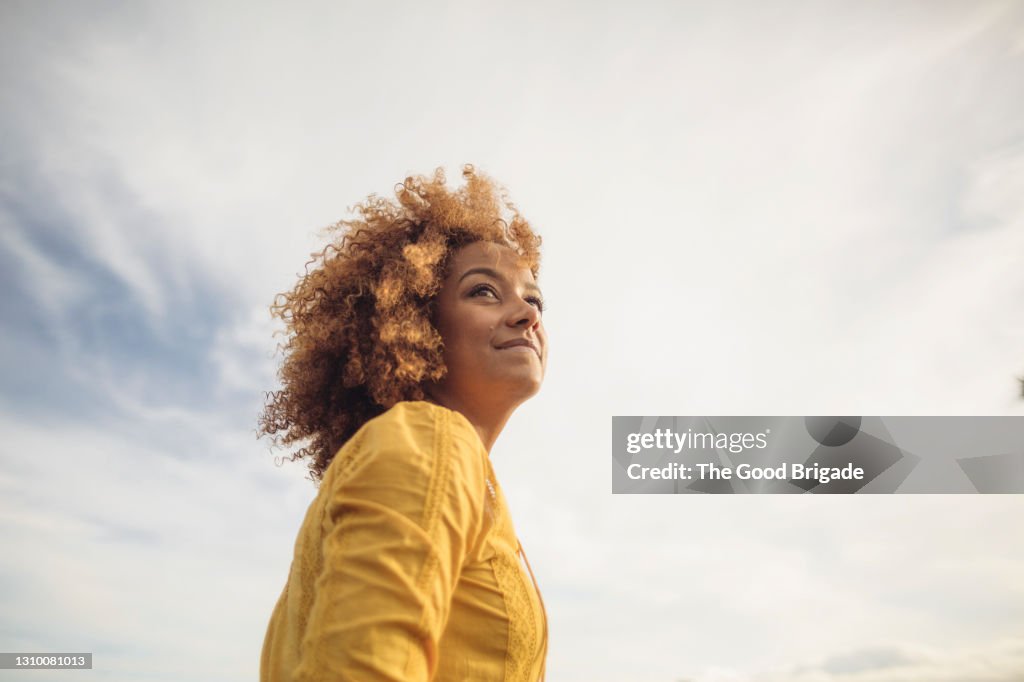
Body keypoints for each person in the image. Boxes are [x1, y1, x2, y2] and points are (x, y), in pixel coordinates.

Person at [258, 165, 549, 681]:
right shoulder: (432, 441)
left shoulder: (450, 465)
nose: (527, 314)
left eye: (534, 298)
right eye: (485, 291)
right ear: (415, 322)